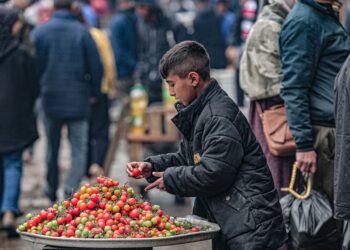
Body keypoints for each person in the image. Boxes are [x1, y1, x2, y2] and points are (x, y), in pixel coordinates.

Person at [127, 41, 286, 250]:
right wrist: (153, 167)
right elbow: (188, 158)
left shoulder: (218, 116)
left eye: (172, 84)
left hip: (250, 225)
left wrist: (171, 179)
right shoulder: (200, 111)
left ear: (193, 78)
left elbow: (214, 173)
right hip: (233, 220)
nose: (171, 92)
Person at [280, 0, 350, 247]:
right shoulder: (303, 21)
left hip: (336, 129)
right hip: (324, 138)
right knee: (327, 222)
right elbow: (293, 87)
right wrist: (304, 145)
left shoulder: (324, 14)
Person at [31, 0, 103, 201]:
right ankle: (70, 190)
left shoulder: (40, 33)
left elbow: (33, 67)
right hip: (79, 100)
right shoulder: (82, 32)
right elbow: (96, 68)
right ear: (72, 8)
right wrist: (94, 93)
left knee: (52, 148)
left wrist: (38, 92)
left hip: (50, 99)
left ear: (53, 8)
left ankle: (51, 188)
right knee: (78, 149)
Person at [239, 0, 295, 197]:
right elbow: (272, 79)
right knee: (277, 173)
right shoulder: (269, 26)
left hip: (274, 110)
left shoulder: (280, 21)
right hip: (273, 112)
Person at [0, 6, 39, 237]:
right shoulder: (21, 53)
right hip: (15, 117)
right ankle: (8, 210)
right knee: (13, 163)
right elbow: (34, 87)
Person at [110, 0, 138, 98]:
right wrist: (134, 65)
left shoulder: (131, 18)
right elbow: (118, 50)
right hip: (124, 72)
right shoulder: (120, 21)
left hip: (129, 70)